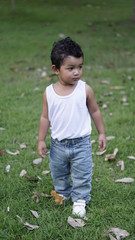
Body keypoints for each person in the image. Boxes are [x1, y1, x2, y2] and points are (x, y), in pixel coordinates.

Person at [38, 37, 106, 218]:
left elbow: (95, 111)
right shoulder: (49, 93)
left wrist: (101, 133)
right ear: (55, 69)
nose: (77, 72)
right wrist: (40, 140)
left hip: (81, 144)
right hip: (58, 144)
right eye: (71, 68)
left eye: (80, 67)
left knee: (82, 173)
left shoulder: (85, 90)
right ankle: (63, 193)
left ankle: (80, 198)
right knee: (58, 172)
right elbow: (45, 117)